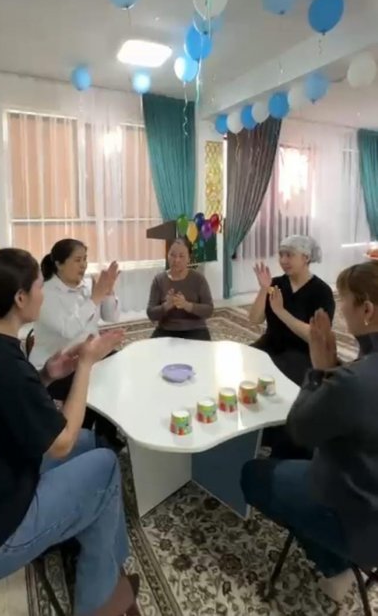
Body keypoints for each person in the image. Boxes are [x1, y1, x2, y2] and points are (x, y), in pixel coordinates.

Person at [0, 248, 139, 616]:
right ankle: (97, 604)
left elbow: (8, 406)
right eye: (40, 285)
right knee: (105, 465)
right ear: (20, 298)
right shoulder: (4, 365)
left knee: (90, 442)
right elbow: (61, 443)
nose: (43, 292)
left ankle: (105, 563)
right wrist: (85, 364)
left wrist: (46, 375)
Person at [242, 261, 378, 605]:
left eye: (344, 300)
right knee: (291, 454)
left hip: (362, 520)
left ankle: (336, 565)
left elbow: (300, 427)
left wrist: (319, 371)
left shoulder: (355, 381)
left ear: (367, 310)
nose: (340, 309)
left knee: (252, 473)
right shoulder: (358, 372)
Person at [31, 238, 121, 445]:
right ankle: (80, 435)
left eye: (85, 259)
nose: (83, 265)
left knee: (116, 367)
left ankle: (105, 434)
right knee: (93, 384)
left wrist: (108, 291)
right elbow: (68, 330)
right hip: (58, 365)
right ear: (59, 264)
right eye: (77, 260)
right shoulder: (45, 293)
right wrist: (95, 298)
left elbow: (111, 317)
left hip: (88, 354)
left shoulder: (84, 287)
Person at [249, 235, 335, 387]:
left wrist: (281, 312)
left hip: (301, 353)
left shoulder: (321, 291)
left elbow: (317, 336)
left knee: (275, 380)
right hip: (270, 344)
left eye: (289, 255)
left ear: (306, 258)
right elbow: (255, 319)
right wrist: (264, 289)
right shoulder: (276, 284)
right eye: (281, 255)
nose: (283, 260)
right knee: (246, 362)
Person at [147, 238, 214, 341]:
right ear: (167, 256)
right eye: (172, 255)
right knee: (150, 349)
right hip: (166, 329)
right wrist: (166, 306)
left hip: (195, 329)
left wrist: (187, 305)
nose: (176, 260)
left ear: (189, 258)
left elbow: (209, 310)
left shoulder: (198, 279)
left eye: (181, 256)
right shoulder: (159, 280)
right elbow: (151, 313)